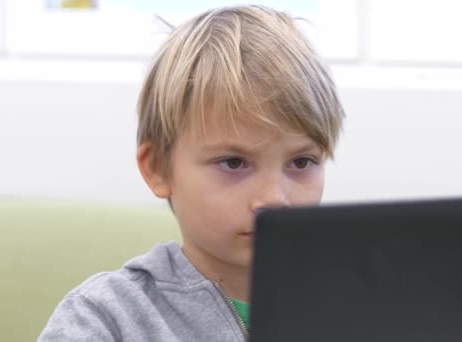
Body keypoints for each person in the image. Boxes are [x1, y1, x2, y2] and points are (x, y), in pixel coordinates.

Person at [38, 4, 344, 341]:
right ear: (157, 168)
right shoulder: (104, 318)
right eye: (233, 162)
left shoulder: (356, 302)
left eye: (301, 163)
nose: (274, 198)